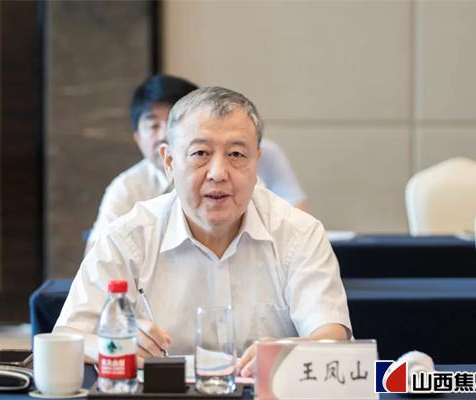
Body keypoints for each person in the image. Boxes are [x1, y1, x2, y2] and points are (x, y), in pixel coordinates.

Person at [55, 87, 351, 378]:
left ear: (256, 162)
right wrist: (116, 343)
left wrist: (287, 350)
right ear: (169, 162)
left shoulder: (298, 232)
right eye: (200, 153)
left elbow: (332, 335)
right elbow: (67, 337)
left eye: (236, 154)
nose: (218, 173)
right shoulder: (128, 237)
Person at [85, 74, 307, 252]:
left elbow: (293, 222)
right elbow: (99, 258)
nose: (164, 134)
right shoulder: (127, 188)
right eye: (153, 126)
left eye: (172, 121)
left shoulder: (247, 184)